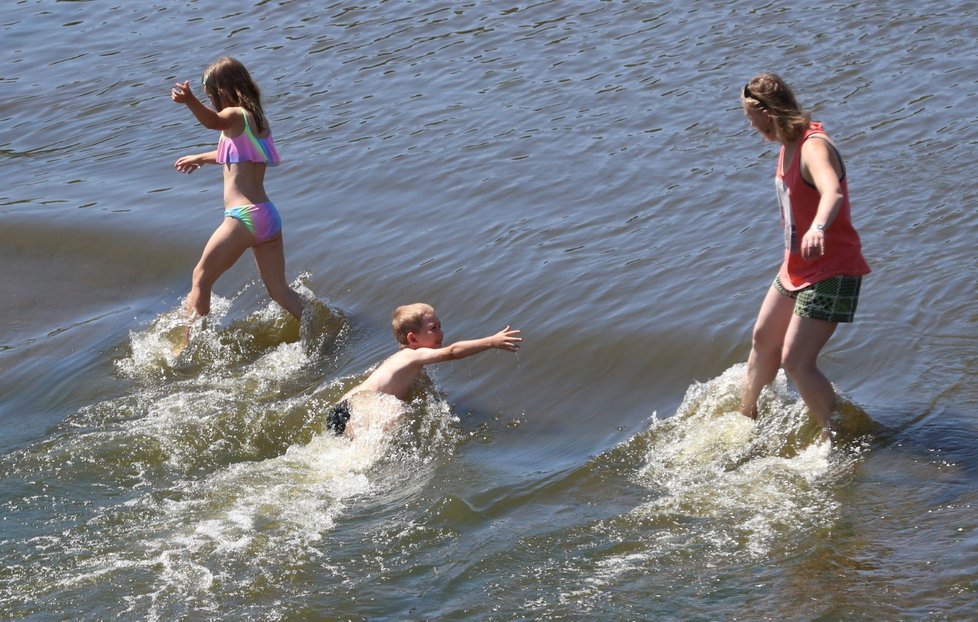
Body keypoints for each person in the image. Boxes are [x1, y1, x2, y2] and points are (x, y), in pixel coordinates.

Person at [739, 72, 871, 433]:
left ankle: (840, 437)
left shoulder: (814, 147)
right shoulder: (788, 143)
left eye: (753, 120)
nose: (752, 127)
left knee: (796, 361)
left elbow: (832, 193)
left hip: (833, 269)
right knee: (763, 340)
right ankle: (745, 424)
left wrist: (818, 226)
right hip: (797, 267)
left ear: (768, 112)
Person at [170, 56, 304, 325]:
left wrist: (190, 102)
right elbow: (236, 153)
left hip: (243, 217)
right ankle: (319, 323)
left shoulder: (232, 115)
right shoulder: (258, 121)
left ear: (221, 91)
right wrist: (200, 157)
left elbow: (213, 122)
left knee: (201, 278)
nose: (211, 103)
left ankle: (188, 342)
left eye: (210, 96)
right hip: (267, 215)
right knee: (279, 291)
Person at [325, 303, 522, 436]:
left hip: (343, 408)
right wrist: (491, 341)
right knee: (397, 412)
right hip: (361, 406)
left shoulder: (405, 361)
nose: (441, 333)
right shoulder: (412, 355)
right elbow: (452, 352)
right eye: (433, 328)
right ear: (413, 339)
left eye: (440, 326)